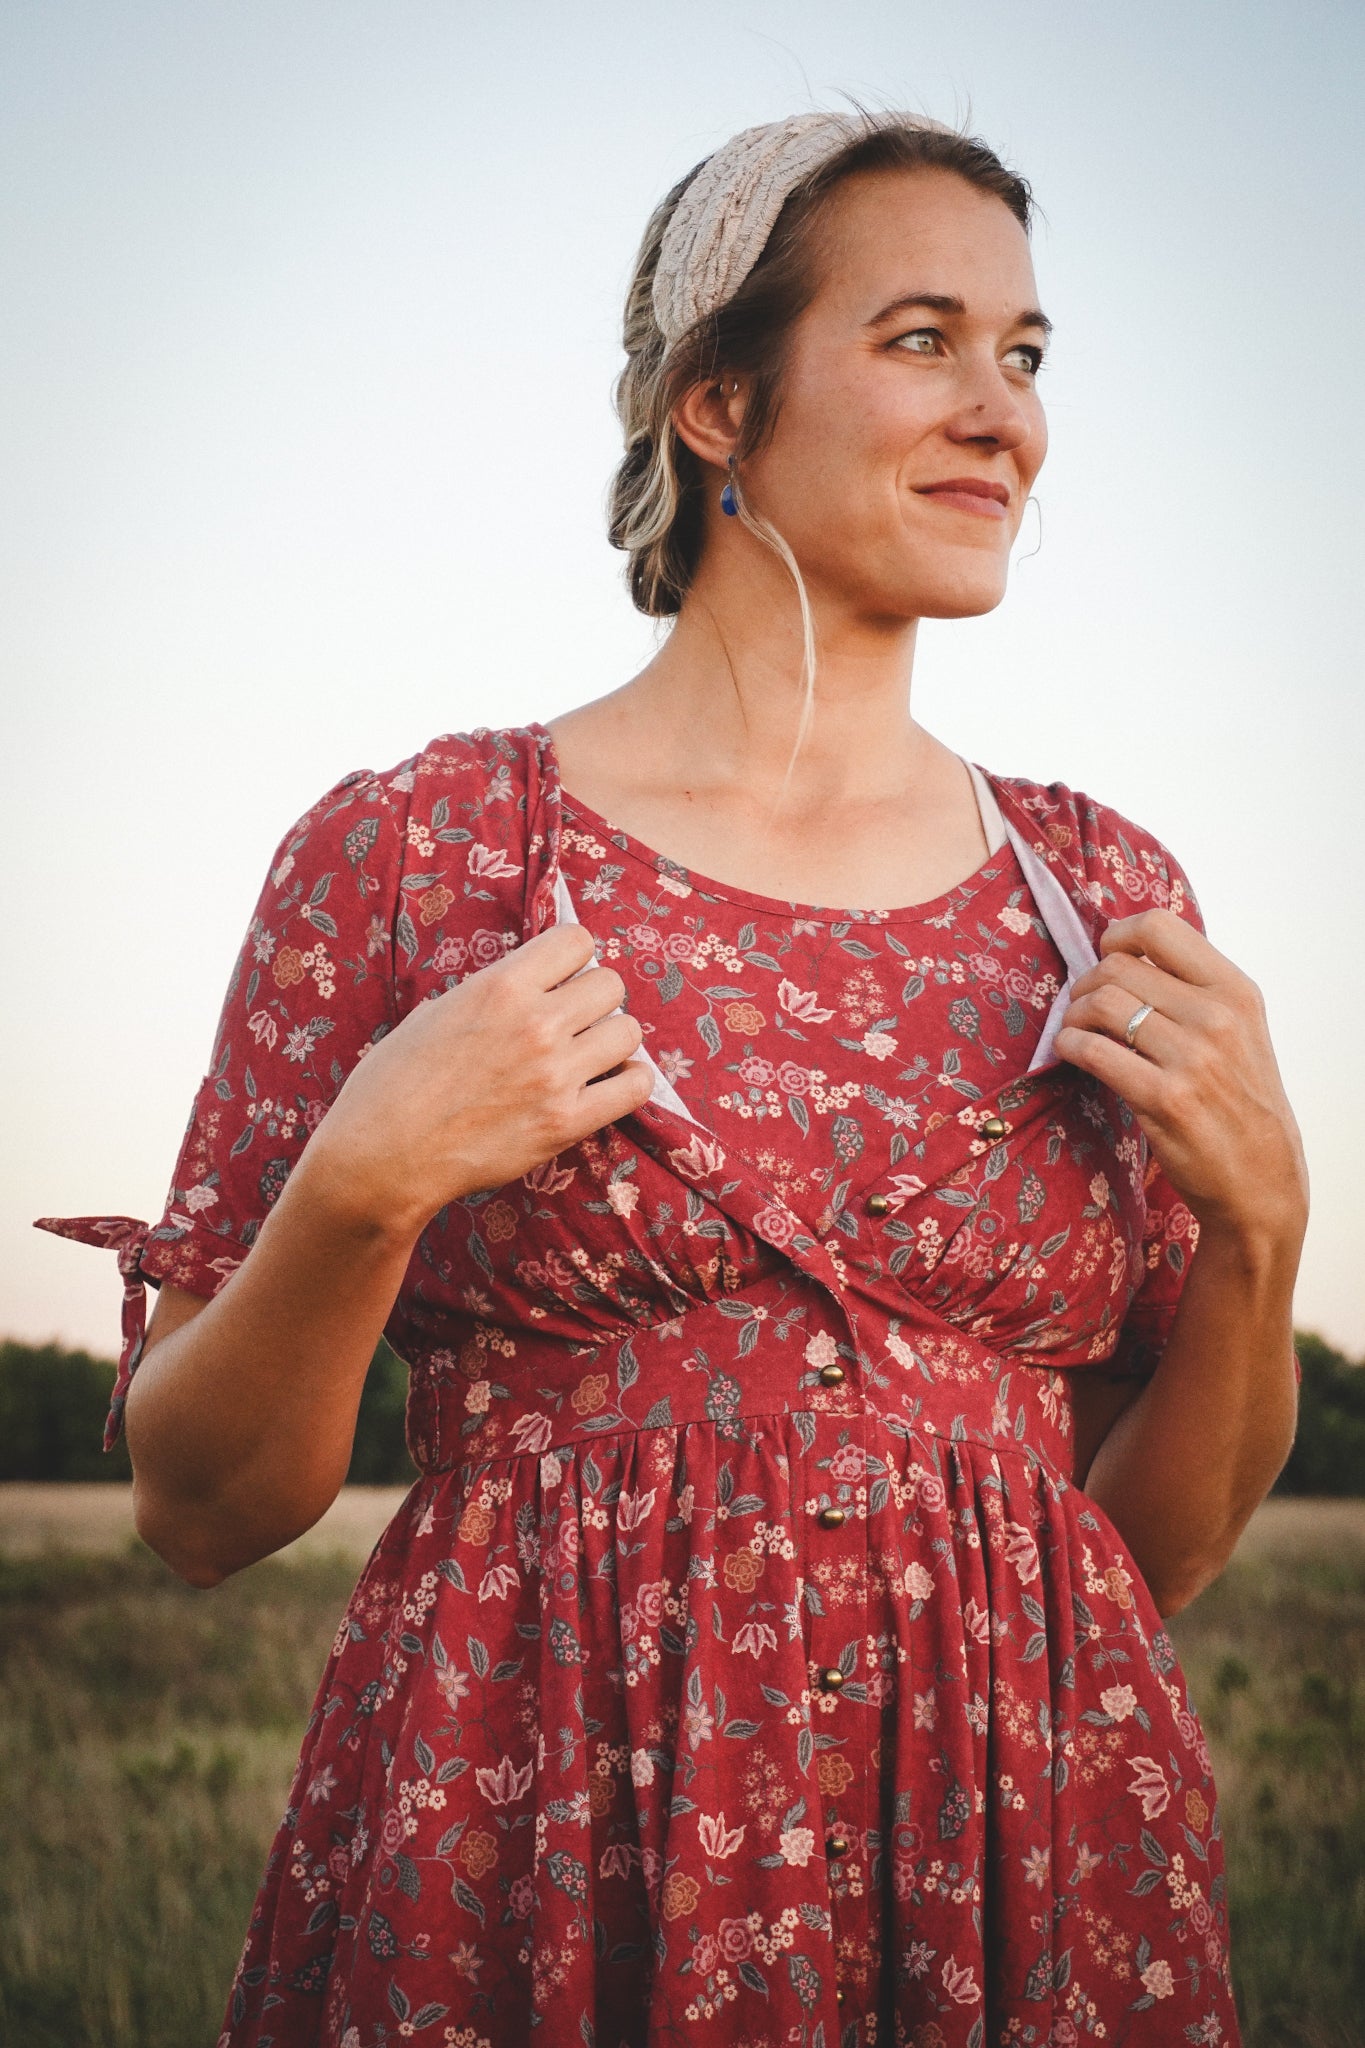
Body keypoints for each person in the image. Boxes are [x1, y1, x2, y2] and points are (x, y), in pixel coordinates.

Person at [40, 109, 1308, 2048]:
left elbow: (1141, 1552)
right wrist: (363, 1182)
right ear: (714, 401)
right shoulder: (425, 851)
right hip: (535, 1828)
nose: (1002, 413)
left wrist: (1259, 1228)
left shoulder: (1102, 900)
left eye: (1025, 353)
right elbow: (200, 1507)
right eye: (919, 338)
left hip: (1016, 1839)